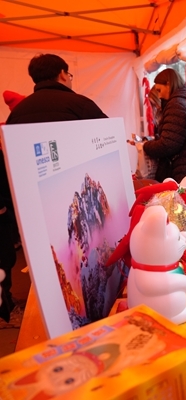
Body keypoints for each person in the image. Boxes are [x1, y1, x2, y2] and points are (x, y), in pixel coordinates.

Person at [3, 54, 108, 315]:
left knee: (49, 268)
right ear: (62, 73)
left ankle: (48, 313)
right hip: (79, 205)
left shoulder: (18, 114)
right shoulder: (80, 105)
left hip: (34, 205)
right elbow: (107, 142)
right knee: (82, 268)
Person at [6, 54, 107, 124]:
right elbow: (111, 135)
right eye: (69, 75)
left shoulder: (17, 112)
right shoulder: (81, 104)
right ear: (62, 74)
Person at [143, 68, 186, 182]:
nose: (159, 96)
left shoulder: (175, 105)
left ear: (168, 84)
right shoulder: (182, 100)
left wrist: (145, 146)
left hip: (178, 168)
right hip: (183, 164)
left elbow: (168, 144)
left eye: (159, 90)